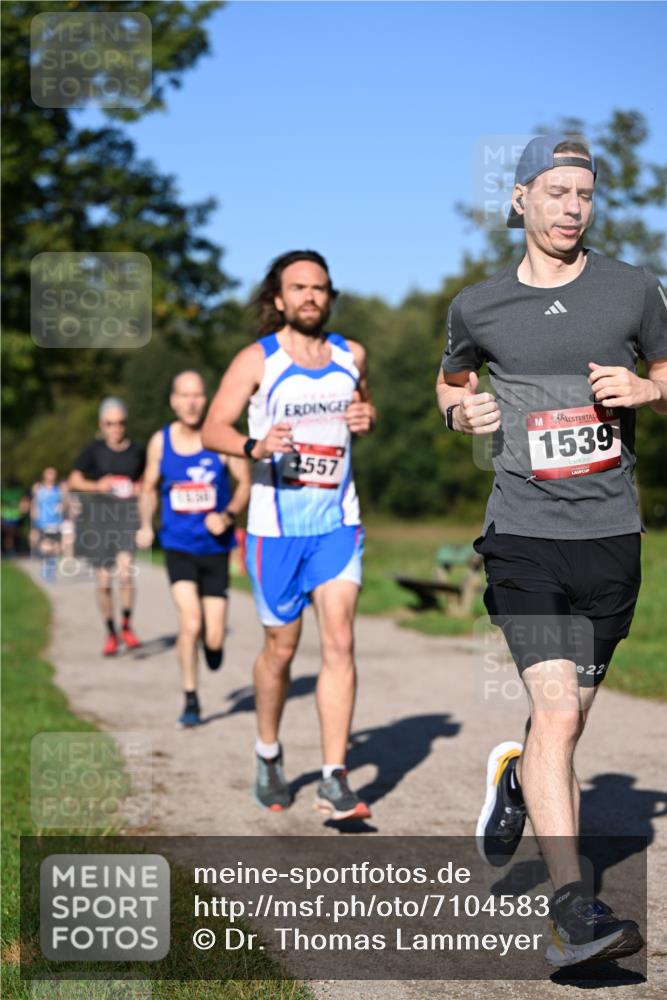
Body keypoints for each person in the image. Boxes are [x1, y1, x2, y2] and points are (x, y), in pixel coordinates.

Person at [437, 134, 667, 967]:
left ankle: (514, 775)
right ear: (520, 201)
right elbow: (451, 384)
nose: (573, 208)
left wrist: (647, 387)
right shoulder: (478, 305)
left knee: (558, 728)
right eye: (557, 192)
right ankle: (575, 911)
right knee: (562, 713)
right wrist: (460, 415)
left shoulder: (633, 291)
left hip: (609, 536)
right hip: (522, 534)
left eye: (584, 194)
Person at [201, 250, 375, 820]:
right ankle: (269, 753)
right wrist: (255, 447)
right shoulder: (258, 360)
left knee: (340, 641)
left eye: (319, 288)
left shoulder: (352, 356)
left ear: (329, 296)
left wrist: (365, 419)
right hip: (275, 530)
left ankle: (334, 775)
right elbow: (212, 428)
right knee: (280, 650)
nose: (309, 297)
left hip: (336, 522)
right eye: (298, 287)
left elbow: (362, 411)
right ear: (278, 299)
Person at [136, 370, 251, 727]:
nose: (191, 402)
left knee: (213, 636)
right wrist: (145, 524)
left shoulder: (219, 437)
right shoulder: (161, 442)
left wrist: (229, 514)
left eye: (198, 395)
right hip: (178, 545)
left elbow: (245, 482)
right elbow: (149, 487)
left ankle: (213, 647)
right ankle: (190, 698)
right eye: (184, 395)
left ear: (206, 399)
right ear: (173, 400)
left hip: (215, 548)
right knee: (190, 621)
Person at [68, 398, 146, 655]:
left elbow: (149, 478)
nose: (116, 428)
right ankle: (111, 631)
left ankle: (127, 624)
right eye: (110, 424)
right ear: (102, 425)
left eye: (120, 423)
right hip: (101, 520)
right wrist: (97, 485)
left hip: (127, 518)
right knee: (103, 583)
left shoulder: (136, 451)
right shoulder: (94, 450)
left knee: (125, 574)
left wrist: (140, 487)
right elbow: (74, 480)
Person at [30, 466, 66, 581]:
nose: (51, 476)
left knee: (56, 547)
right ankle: (46, 568)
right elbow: (34, 503)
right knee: (45, 546)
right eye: (49, 473)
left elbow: (65, 502)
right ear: (44, 475)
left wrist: (62, 507)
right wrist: (34, 518)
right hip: (43, 521)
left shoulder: (59, 489)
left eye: (53, 473)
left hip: (56, 521)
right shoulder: (38, 488)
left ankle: (51, 568)